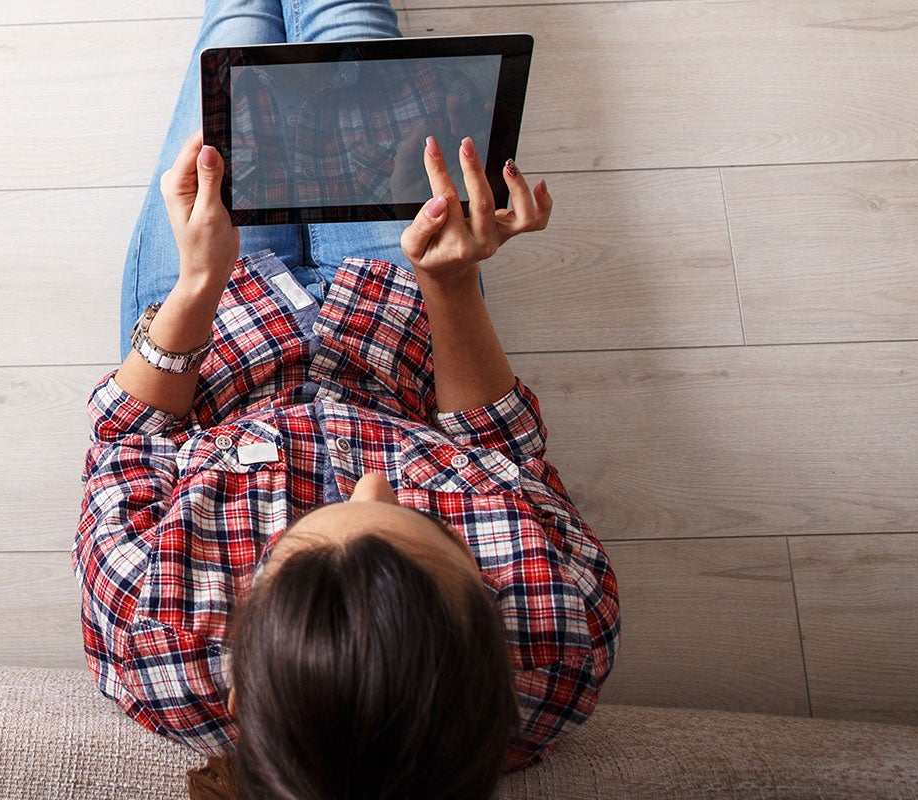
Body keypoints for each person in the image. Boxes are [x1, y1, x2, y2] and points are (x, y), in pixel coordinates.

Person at [72, 1, 622, 798]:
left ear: (239, 687)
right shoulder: (562, 633)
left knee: (236, 37)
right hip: (399, 310)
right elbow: (497, 448)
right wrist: (450, 278)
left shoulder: (152, 635)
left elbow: (129, 437)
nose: (372, 482)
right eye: (423, 523)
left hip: (208, 325)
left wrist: (197, 281)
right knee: (351, 30)